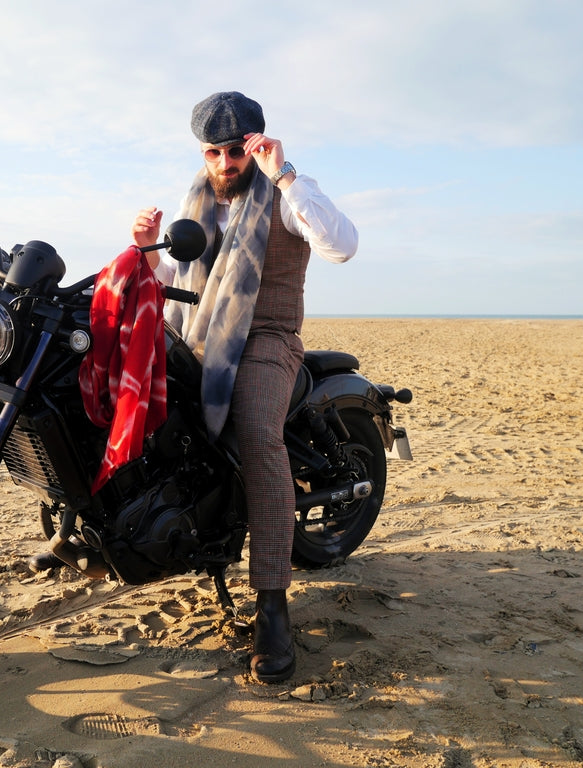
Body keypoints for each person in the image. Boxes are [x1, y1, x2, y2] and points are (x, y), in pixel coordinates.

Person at [133, 91, 358, 683]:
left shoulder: (286, 195)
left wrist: (284, 175)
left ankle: (273, 606)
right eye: (214, 152)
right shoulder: (197, 203)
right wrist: (146, 248)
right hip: (199, 336)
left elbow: (342, 247)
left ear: (256, 145)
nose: (225, 163)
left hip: (268, 338)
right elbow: (176, 279)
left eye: (236, 151)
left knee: (258, 435)